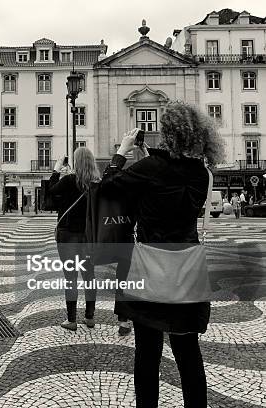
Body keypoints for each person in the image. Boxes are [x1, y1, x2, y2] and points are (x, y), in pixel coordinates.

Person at [101, 102, 224, 407]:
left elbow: (107, 188)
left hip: (150, 269)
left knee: (147, 355)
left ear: (167, 132)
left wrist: (123, 152)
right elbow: (169, 183)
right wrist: (146, 161)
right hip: (187, 270)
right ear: (198, 134)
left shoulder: (151, 168)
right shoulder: (201, 173)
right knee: (188, 354)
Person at [48, 147, 99, 331]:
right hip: (88, 237)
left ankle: (71, 320)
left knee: (71, 278)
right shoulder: (96, 184)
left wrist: (56, 169)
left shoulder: (69, 180)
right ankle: (90, 317)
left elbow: (50, 192)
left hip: (68, 235)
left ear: (76, 162)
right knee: (89, 277)